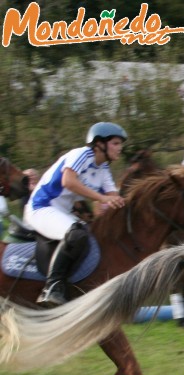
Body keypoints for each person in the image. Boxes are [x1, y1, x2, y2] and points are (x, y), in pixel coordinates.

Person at [24, 122, 127, 306]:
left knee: (91, 236)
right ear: (99, 144)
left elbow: (113, 199)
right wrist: (101, 198)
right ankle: (52, 287)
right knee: (76, 233)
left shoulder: (103, 169)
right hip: (41, 207)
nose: (120, 148)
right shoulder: (81, 154)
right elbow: (68, 182)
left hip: (61, 212)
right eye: (116, 143)